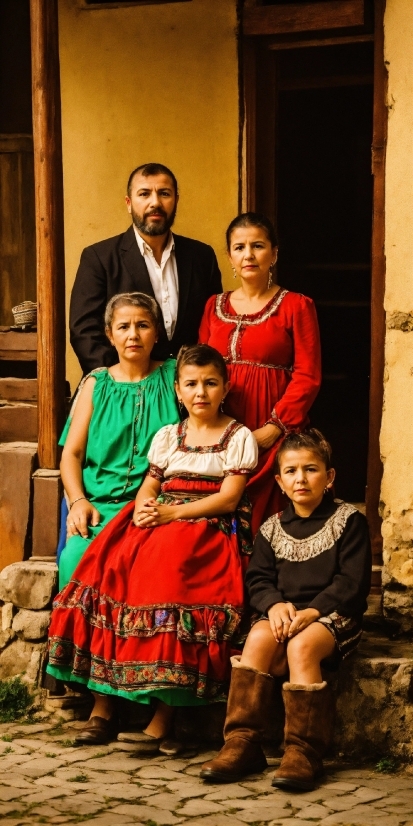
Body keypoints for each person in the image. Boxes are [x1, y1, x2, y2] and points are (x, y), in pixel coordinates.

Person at [47, 344, 258, 749]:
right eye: (192, 384)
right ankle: (104, 704)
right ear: (177, 390)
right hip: (163, 518)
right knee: (110, 565)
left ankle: (166, 715)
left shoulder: (237, 436)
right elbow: (151, 486)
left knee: (170, 577)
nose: (201, 393)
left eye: (211, 384)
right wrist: (145, 508)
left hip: (206, 526)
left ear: (225, 388)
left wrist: (172, 515)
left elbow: (229, 499)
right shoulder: (168, 437)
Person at [200, 429, 371, 790]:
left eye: (311, 469)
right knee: (260, 639)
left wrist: (314, 612)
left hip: (334, 615)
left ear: (329, 477)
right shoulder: (272, 528)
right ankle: (242, 742)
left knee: (301, 646)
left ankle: (303, 751)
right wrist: (275, 606)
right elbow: (259, 579)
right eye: (291, 471)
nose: (301, 478)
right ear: (279, 481)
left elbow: (351, 583)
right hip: (284, 614)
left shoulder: (349, 521)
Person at [199, 212, 321, 534]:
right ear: (230, 257)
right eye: (239, 248)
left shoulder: (296, 305)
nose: (248, 255)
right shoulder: (214, 306)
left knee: (269, 521)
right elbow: (197, 368)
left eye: (258, 246)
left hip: (274, 429)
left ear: (274, 253)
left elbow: (308, 375)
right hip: (222, 428)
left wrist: (274, 429)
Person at [56, 291, 180, 590]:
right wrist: (78, 501)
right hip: (97, 509)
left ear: (157, 333)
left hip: (154, 510)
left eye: (143, 325)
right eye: (123, 327)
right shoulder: (95, 384)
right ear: (110, 335)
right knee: (74, 561)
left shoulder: (175, 376)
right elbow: (71, 455)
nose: (133, 335)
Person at [70, 162, 222, 374]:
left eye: (164, 193)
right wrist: (120, 383)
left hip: (188, 391)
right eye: (144, 194)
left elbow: (215, 327)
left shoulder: (202, 256)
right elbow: (84, 333)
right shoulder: (99, 258)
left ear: (176, 200)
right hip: (123, 392)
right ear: (129, 203)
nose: (155, 203)